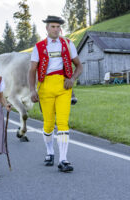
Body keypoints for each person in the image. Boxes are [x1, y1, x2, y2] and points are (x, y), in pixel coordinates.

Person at [29, 16, 83, 172]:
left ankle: (63, 159)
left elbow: (79, 66)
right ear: (47, 28)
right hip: (45, 86)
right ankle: (50, 151)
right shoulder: (38, 47)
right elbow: (32, 70)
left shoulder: (67, 43)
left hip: (63, 87)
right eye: (52, 26)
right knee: (48, 124)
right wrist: (32, 90)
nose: (55, 29)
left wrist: (72, 79)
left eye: (58, 27)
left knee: (63, 122)